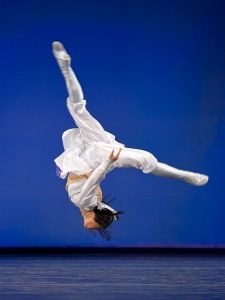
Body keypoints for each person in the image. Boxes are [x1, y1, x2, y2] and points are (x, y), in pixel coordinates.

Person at [52, 41, 209, 240]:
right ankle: (185, 176)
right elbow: (94, 180)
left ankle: (66, 67)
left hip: (83, 153)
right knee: (144, 160)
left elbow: (102, 202)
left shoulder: (92, 205)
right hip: (92, 159)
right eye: (94, 227)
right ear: (95, 216)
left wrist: (111, 215)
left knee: (79, 109)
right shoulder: (86, 204)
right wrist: (108, 162)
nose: (89, 228)